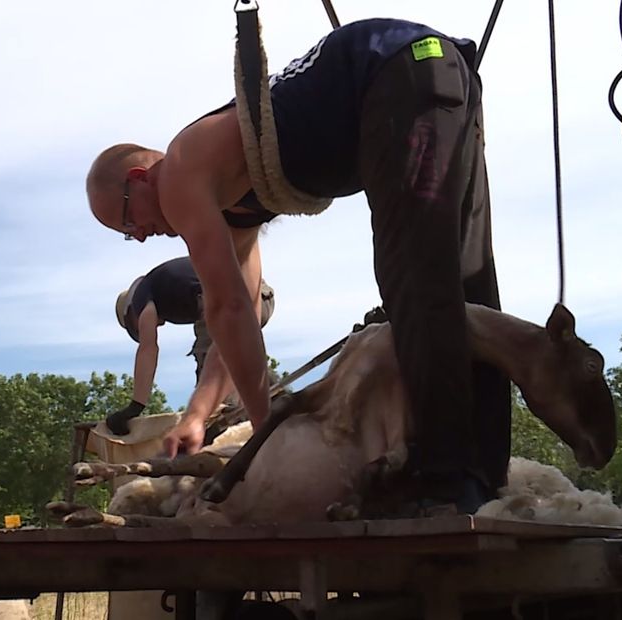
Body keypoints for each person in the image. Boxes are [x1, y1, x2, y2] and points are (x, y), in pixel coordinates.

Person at [85, 18, 511, 513]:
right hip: (438, 74)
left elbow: (224, 309)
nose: (136, 235)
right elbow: (236, 322)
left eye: (124, 220)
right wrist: (198, 414)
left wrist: (271, 435)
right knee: (465, 277)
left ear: (139, 179)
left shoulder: (179, 173)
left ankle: (444, 481)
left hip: (399, 70)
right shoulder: (233, 205)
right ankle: (483, 473)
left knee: (414, 275)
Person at [107, 256, 276, 435]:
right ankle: (273, 395)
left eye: (137, 327)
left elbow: (148, 348)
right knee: (237, 357)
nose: (157, 325)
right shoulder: (168, 286)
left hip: (231, 297)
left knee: (208, 363)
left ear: (131, 311)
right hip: (260, 296)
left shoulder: (142, 295)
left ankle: (222, 418)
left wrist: (135, 406)